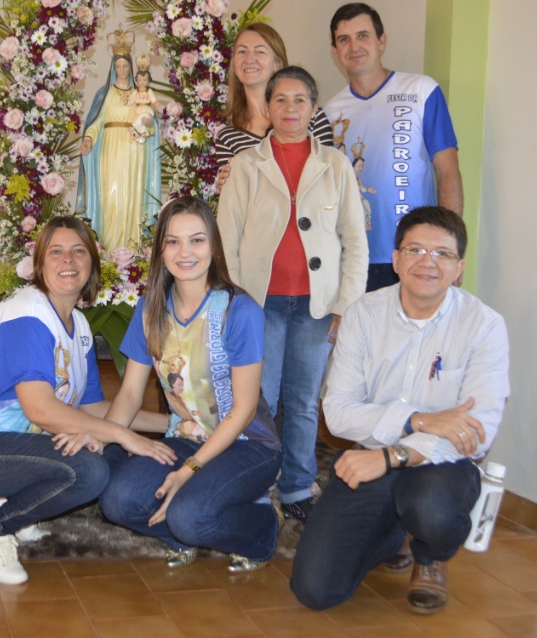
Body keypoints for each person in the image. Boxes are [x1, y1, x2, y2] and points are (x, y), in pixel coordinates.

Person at [0, 215, 177, 585]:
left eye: (79, 252)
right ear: (39, 265)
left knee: (107, 450)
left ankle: (13, 501)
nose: (68, 261)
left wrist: (173, 424)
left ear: (92, 265)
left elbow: (93, 408)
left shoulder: (78, 325)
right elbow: (40, 409)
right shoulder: (26, 316)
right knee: (89, 470)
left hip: (23, 443)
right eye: (57, 252)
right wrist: (122, 435)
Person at [291, 206, 509, 615]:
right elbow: (337, 412)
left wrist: (394, 454)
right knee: (315, 590)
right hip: (372, 456)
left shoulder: (483, 325)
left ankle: (430, 554)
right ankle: (393, 533)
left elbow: (478, 430)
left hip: (439, 465)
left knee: (431, 508)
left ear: (459, 267)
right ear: (395, 259)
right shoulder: (362, 315)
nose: (427, 262)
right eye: (415, 249)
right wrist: (421, 420)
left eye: (442, 254)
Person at [100, 197, 283, 573]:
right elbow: (131, 393)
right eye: (173, 241)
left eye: (197, 240)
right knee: (117, 501)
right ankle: (184, 535)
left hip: (247, 444)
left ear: (213, 247)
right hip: (184, 436)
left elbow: (244, 409)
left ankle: (262, 526)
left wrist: (187, 472)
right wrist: (101, 439)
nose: (185, 252)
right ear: (160, 250)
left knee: (190, 515)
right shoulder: (150, 310)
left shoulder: (239, 310)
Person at [217, 67, 368, 522]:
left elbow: (355, 240)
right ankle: (255, 486)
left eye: (299, 100)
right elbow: (227, 238)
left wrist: (346, 305)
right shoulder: (247, 166)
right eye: (279, 100)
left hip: (315, 307)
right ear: (267, 108)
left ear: (313, 107)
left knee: (303, 402)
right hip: (258, 307)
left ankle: (299, 486)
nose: (289, 109)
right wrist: (235, 303)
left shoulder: (336, 165)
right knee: (257, 401)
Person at [324, 3, 463, 292]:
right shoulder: (328, 112)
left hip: (418, 256)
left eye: (363, 35)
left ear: (381, 41)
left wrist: (450, 249)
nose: (354, 46)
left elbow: (447, 171)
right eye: (344, 39)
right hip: (353, 260)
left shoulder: (421, 90)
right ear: (335, 51)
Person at [214, 23, 333, 191]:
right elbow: (236, 201)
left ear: (277, 63)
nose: (249, 59)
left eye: (259, 51)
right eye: (242, 51)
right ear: (234, 66)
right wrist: (226, 186)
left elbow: (330, 178)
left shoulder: (310, 115)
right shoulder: (227, 137)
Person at [77, 31, 161, 251]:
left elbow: (152, 123)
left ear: (131, 68)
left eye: (126, 66)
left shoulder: (140, 93)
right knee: (111, 199)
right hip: (110, 151)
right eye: (119, 66)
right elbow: (96, 123)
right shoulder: (105, 94)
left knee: (132, 198)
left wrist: (149, 125)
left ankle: (132, 248)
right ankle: (108, 247)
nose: (122, 71)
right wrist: (87, 139)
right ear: (113, 68)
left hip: (135, 149)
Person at [125, 65, 160, 144]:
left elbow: (153, 98)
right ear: (136, 80)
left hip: (147, 110)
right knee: (139, 121)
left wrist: (156, 102)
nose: (142, 82)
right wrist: (126, 101)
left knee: (143, 117)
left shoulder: (149, 91)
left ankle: (133, 127)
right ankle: (143, 135)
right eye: (140, 80)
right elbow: (130, 100)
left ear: (148, 81)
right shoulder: (135, 91)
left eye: (144, 80)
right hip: (138, 110)